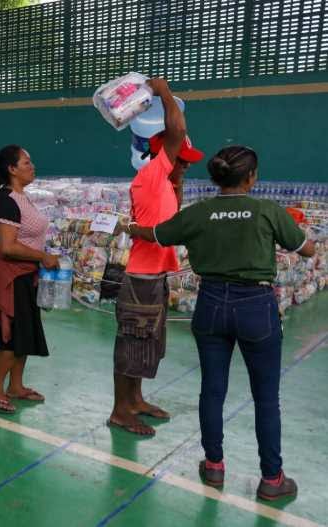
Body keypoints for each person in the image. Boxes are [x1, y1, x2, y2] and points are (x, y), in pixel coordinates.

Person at [125, 146, 315, 500]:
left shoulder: (199, 213)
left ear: (217, 176)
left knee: (213, 389)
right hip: (256, 307)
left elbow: (157, 233)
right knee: (266, 397)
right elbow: (306, 249)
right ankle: (272, 479)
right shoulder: (267, 211)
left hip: (210, 304)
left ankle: (214, 465)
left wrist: (131, 225)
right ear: (251, 177)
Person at [108, 78, 204, 436]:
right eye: (183, 159)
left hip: (155, 277)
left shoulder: (164, 183)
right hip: (141, 279)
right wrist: (164, 92)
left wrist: (177, 185)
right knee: (132, 340)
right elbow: (176, 128)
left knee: (147, 341)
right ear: (166, 152)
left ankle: (135, 400)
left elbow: (172, 222)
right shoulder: (151, 174)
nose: (187, 165)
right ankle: (120, 409)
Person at [0, 146, 57, 414]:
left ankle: (16, 385)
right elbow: (9, 246)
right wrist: (42, 256)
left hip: (26, 274)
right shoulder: (6, 200)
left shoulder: (22, 197)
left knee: (24, 334)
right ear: (12, 169)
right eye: (26, 162)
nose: (32, 166)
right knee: (11, 337)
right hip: (11, 276)